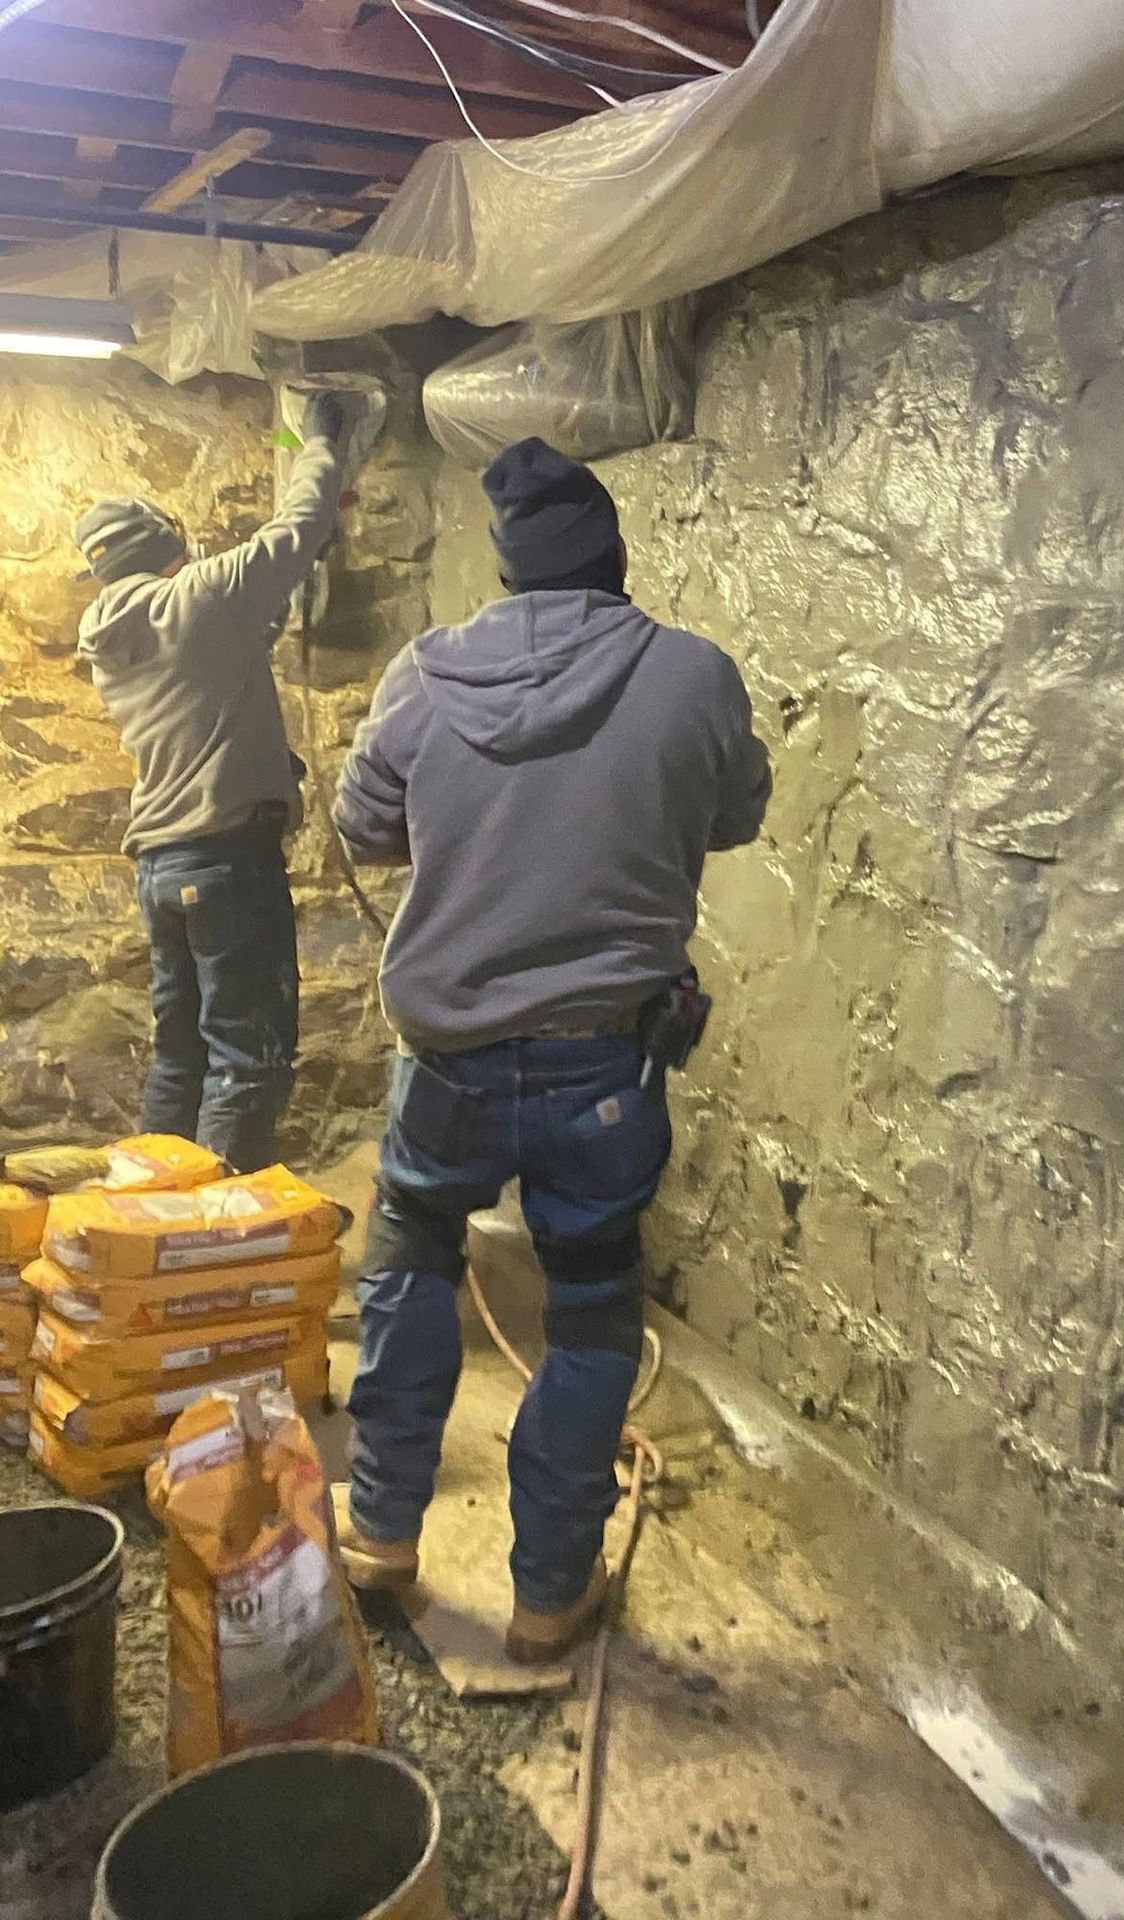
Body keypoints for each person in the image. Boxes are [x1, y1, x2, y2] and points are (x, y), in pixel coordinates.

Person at [331, 437, 772, 1662]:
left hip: (449, 1060)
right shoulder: (692, 676)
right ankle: (544, 1599)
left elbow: (362, 825)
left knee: (412, 1261)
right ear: (614, 563)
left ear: (509, 571)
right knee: (588, 1317)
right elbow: (737, 809)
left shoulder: (426, 677)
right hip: (603, 1075)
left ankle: (379, 1533)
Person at [74, 396, 350, 1173]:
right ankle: (214, 1240)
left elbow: (216, 656)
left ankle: (154, 1219)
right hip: (226, 862)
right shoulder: (200, 596)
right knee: (248, 1060)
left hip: (163, 865)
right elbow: (296, 526)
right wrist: (318, 439)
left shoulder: (114, 633)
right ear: (170, 546)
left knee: (183, 1056)